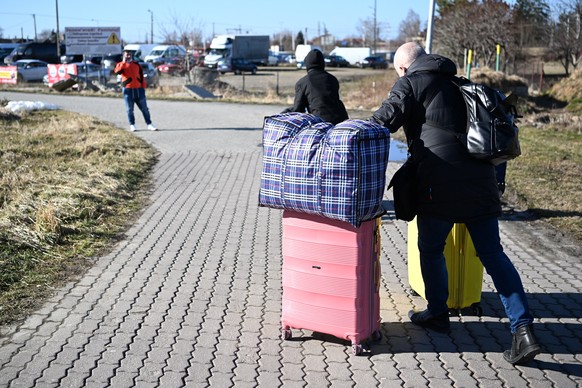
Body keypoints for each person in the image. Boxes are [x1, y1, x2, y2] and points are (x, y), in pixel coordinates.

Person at [370, 42, 540, 365]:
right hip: (481, 184)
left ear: (404, 68)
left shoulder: (410, 83)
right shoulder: (460, 83)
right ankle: (524, 331)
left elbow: (382, 121)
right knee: (493, 256)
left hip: (439, 185)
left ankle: (437, 312)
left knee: (431, 248)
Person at [284, 49, 348, 124]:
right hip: (340, 120)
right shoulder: (332, 79)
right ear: (322, 63)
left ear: (307, 63)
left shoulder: (303, 82)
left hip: (320, 123)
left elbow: (298, 110)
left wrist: (285, 113)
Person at [114, 50, 157, 132]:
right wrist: (123, 62)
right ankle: (132, 124)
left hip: (138, 89)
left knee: (144, 108)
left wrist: (143, 86)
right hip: (128, 90)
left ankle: (149, 124)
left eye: (129, 55)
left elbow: (141, 76)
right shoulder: (121, 65)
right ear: (123, 56)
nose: (128, 56)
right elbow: (117, 72)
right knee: (129, 109)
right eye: (126, 55)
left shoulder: (136, 64)